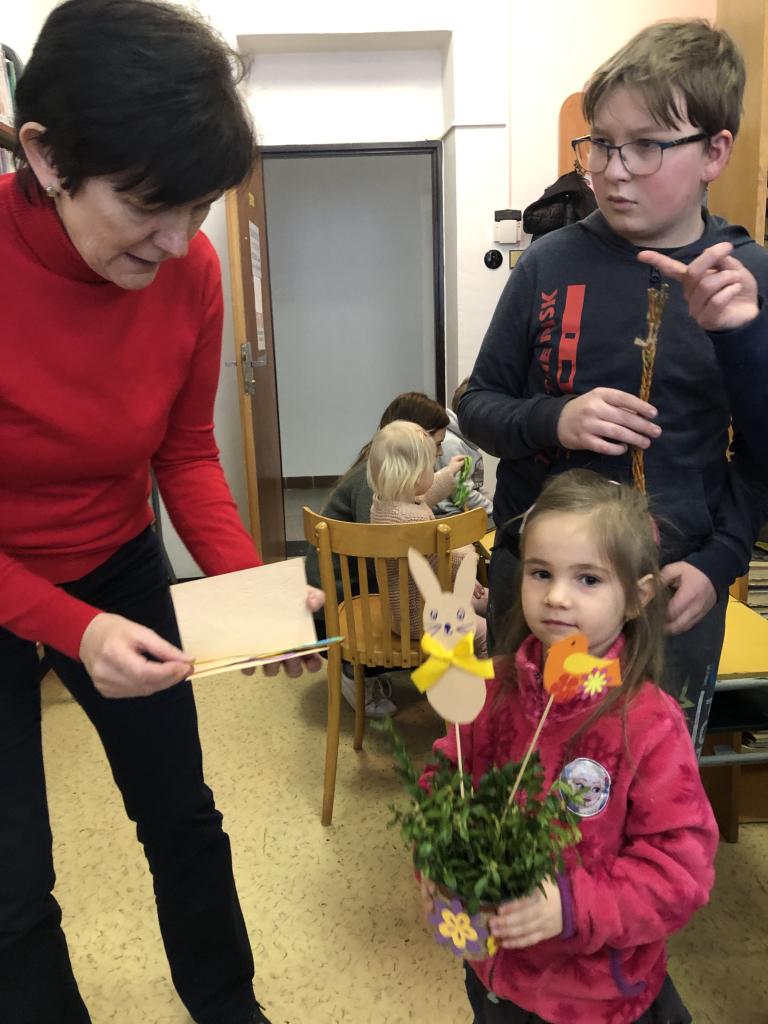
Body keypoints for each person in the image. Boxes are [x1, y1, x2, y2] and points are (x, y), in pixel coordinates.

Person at [0, 2, 321, 1022]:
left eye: (201, 205)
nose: (179, 239)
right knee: (11, 879)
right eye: (149, 204)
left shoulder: (190, 271)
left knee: (182, 815)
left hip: (117, 557)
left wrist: (250, 590)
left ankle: (230, 1008)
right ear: (46, 156)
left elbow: (183, 452)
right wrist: (71, 627)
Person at [458, 19, 768, 754]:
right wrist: (554, 419)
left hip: (672, 595)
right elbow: (476, 406)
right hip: (536, 591)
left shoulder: (747, 276)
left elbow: (763, 452)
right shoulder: (548, 262)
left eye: (647, 146)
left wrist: (722, 560)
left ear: (714, 152)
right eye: (601, 143)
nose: (613, 171)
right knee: (522, 781)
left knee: (651, 792)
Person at [419, 470, 718, 1024]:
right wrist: (435, 858)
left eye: (588, 579)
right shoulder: (489, 688)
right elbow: (445, 778)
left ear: (637, 597)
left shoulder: (649, 724)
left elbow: (682, 871)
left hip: (597, 995)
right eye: (541, 573)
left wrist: (573, 905)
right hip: (493, 973)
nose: (556, 596)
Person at [305, 391, 461, 717]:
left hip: (342, 594)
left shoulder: (385, 476)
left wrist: (445, 479)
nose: (439, 453)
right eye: (436, 446)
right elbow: (387, 554)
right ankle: (356, 673)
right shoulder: (373, 489)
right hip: (337, 610)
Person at [638, 241, 768, 471]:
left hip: (708, 490)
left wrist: (745, 337)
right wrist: (563, 415)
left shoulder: (755, 267)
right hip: (578, 489)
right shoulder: (565, 256)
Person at [368, 420, 488, 656]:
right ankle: (488, 678)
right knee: (485, 632)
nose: (433, 471)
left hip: (403, 613)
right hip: (424, 617)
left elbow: (424, 497)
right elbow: (442, 564)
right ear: (414, 476)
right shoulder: (412, 522)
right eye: (430, 468)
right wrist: (468, 554)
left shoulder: (385, 504)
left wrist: (448, 473)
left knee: (488, 600)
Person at [433, 377, 494, 521]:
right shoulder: (451, 444)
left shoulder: (466, 442)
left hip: (461, 511)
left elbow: (474, 487)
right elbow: (462, 494)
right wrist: (494, 510)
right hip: (449, 516)